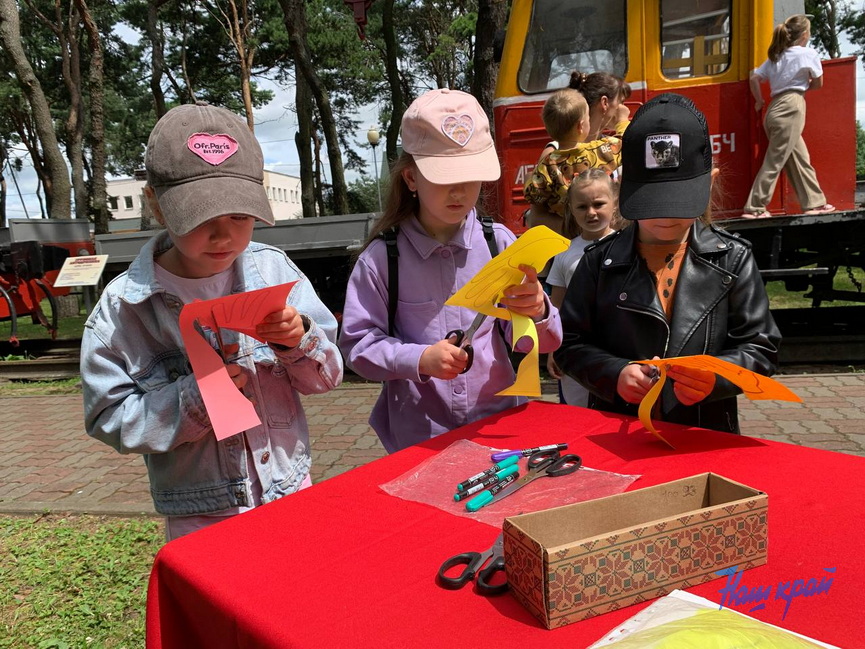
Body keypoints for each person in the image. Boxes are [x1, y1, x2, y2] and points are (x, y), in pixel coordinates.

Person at [80, 102, 343, 541]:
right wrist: (193, 400)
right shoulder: (122, 309)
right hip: (202, 513)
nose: (224, 236)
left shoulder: (275, 272)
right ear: (157, 206)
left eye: (241, 216)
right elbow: (108, 417)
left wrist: (298, 342)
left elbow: (327, 376)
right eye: (200, 216)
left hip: (290, 488)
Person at [338, 88, 563, 453]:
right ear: (411, 179)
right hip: (418, 439)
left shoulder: (501, 244)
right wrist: (419, 358)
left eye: (471, 176)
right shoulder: (382, 258)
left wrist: (537, 311)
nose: (459, 191)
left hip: (496, 431)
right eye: (444, 177)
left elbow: (539, 344)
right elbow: (358, 347)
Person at [555, 93, 781, 434]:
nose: (664, 216)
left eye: (679, 201)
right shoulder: (599, 263)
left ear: (711, 182)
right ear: (623, 190)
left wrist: (714, 377)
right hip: (617, 434)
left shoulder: (733, 259)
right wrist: (614, 373)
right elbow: (569, 343)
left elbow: (760, 346)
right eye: (650, 202)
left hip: (704, 434)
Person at [742, 14, 834, 218]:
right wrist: (801, 87)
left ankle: (814, 203)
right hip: (792, 106)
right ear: (805, 34)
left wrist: (759, 101)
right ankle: (755, 208)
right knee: (774, 160)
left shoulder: (776, 56)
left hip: (774, 109)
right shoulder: (807, 54)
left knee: (800, 158)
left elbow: (755, 78)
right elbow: (818, 83)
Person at [545, 169, 622, 407]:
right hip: (577, 350)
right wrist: (553, 350)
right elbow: (557, 307)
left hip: (619, 349)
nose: (591, 212)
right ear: (571, 208)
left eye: (599, 204)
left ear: (615, 203)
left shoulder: (628, 246)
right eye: (582, 207)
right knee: (578, 413)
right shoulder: (564, 253)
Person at [524, 71, 632, 235]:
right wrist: (590, 231)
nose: (624, 108)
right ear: (604, 103)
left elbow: (534, 191)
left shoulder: (553, 160)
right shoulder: (606, 150)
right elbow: (537, 217)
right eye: (621, 102)